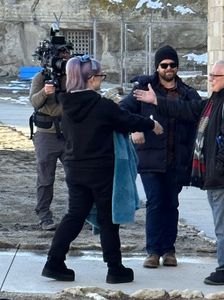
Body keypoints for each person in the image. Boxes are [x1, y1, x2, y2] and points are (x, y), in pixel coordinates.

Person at [41, 55, 163, 284]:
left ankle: (53, 262)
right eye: (99, 76)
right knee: (108, 220)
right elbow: (127, 120)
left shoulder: (65, 104)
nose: (101, 80)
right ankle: (115, 269)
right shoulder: (101, 106)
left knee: (74, 215)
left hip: (74, 168)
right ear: (89, 79)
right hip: (101, 170)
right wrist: (152, 124)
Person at [133, 59, 224, 285]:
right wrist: (156, 100)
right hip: (219, 173)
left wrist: (219, 168)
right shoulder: (217, 99)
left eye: (214, 76)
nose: (209, 80)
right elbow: (186, 110)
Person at [120, 45, 202, 268]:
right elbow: (122, 111)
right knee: (155, 202)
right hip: (151, 159)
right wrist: (135, 128)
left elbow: (196, 111)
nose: (168, 69)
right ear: (157, 67)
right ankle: (153, 251)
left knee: (171, 204)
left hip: (177, 159)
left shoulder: (187, 93)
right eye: (164, 65)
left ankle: (169, 250)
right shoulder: (144, 89)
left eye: (172, 65)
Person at [29, 44, 71, 231]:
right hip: (46, 135)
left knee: (76, 176)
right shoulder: (41, 77)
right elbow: (34, 102)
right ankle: (44, 215)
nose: (65, 59)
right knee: (46, 178)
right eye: (61, 56)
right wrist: (46, 92)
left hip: (70, 133)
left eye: (67, 55)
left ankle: (77, 213)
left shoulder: (73, 78)